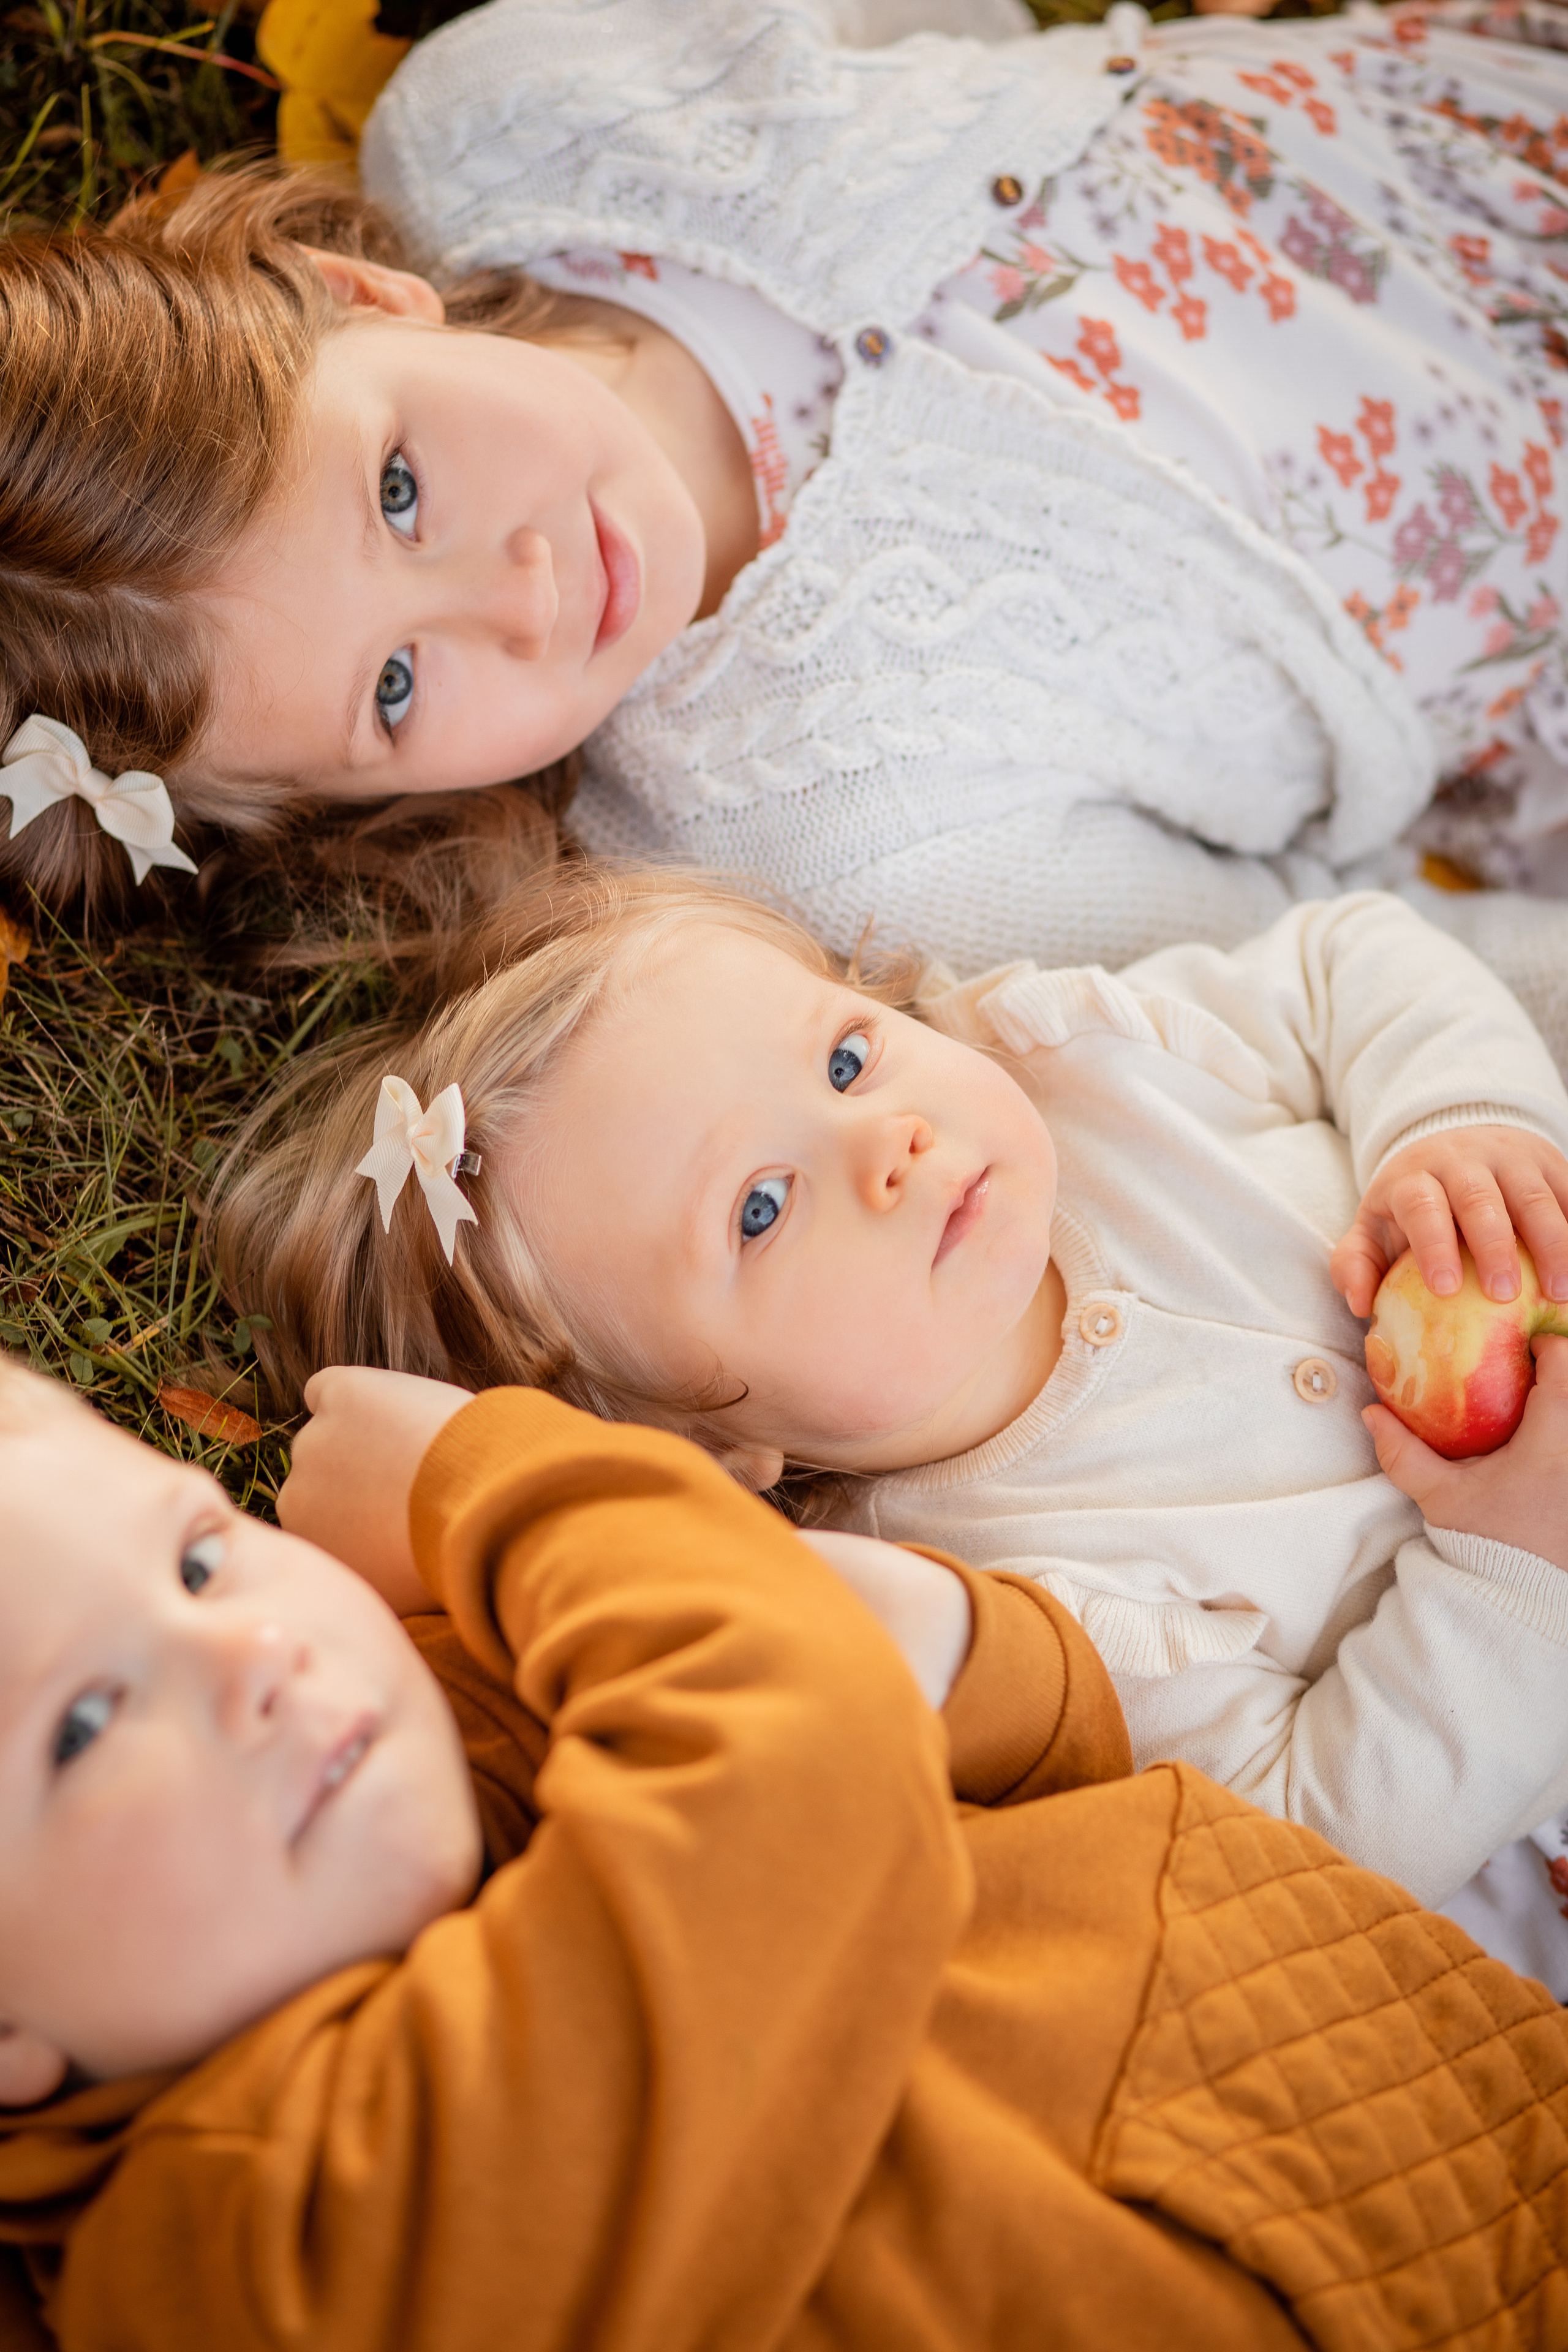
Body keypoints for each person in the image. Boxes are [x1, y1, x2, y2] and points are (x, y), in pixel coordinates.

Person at [8, 0, 1568, 1051]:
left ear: (353, 297)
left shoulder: (513, 113)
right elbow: (1334, 958)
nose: (522, 597)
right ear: (364, 811)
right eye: (398, 688)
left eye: (399, 489)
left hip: (1467, 121)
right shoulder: (842, 839)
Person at [6, 1351, 1568, 2351]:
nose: (249, 1656)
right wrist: (488, 1484)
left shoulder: (437, 1730)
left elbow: (1015, 1739)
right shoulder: (236, 2253)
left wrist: (948, 1642)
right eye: (81, 1726)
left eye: (204, 1555)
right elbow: (790, 1759)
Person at [214, 868, 1568, 1968]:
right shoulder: (1010, 1606)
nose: (885, 1142)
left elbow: (1350, 960)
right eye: (759, 1207)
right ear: (710, 1456)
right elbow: (1322, 1834)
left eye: (847, 1059)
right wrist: (1514, 1575)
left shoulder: (1080, 1059)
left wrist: (1455, 1123)